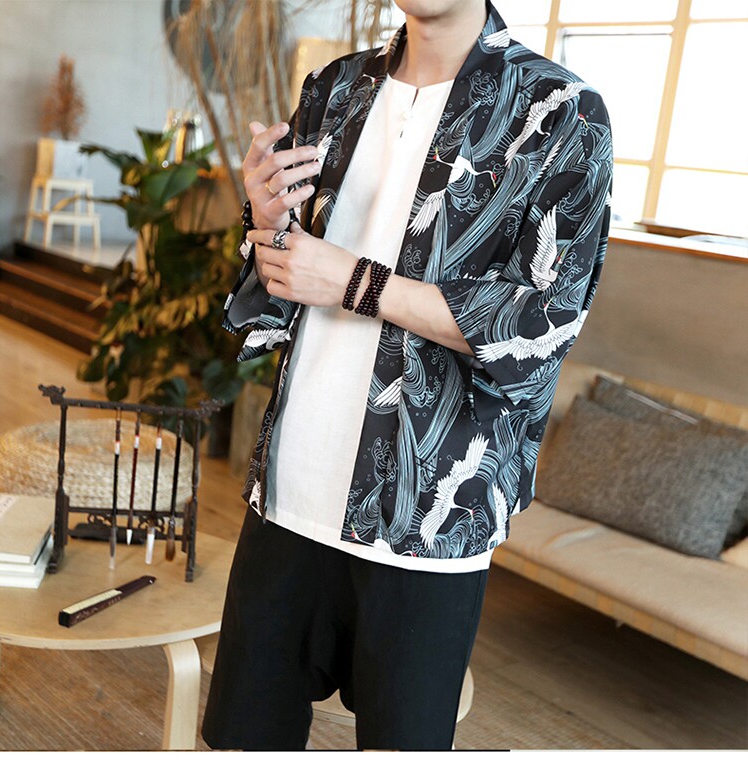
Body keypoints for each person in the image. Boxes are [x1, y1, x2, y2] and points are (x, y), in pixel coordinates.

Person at [202, 0, 613, 751]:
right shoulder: (334, 89)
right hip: (289, 494)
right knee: (244, 741)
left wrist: (354, 281)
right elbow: (283, 287)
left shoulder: (562, 113)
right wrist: (267, 222)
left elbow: (540, 324)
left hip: (427, 521)